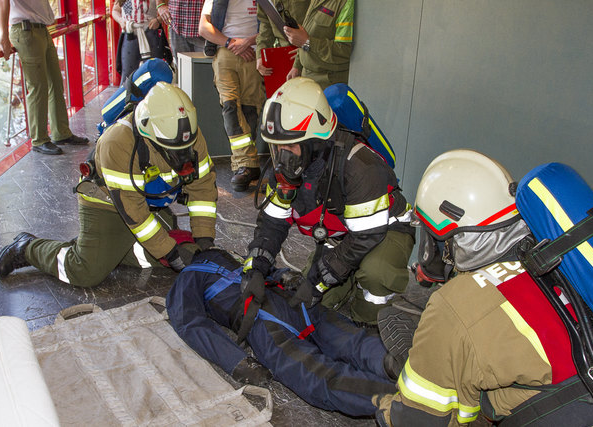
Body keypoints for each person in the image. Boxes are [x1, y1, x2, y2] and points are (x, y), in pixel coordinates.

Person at [374, 149, 593, 426]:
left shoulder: (455, 304)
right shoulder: (555, 257)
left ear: (453, 238)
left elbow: (415, 420)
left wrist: (381, 406)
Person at [0, 83, 218, 288]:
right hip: (108, 204)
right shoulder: (118, 143)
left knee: (186, 254)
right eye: (172, 150)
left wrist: (205, 239)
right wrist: (168, 252)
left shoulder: (188, 136)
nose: (182, 156)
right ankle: (28, 248)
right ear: (148, 132)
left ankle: (105, 248)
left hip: (149, 203)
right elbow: (135, 214)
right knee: (84, 272)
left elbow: (203, 190)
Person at [241, 77, 414, 326]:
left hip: (385, 230)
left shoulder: (360, 166)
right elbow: (272, 224)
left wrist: (319, 281)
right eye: (277, 148)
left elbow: (365, 237)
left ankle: (371, 321)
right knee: (313, 303)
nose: (281, 160)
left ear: (315, 143)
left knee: (375, 273)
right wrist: (256, 268)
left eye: (290, 147)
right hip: (342, 234)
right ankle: (349, 278)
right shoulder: (289, 170)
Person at [166, 247, 396, 416]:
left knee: (317, 375)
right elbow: (264, 269)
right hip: (295, 303)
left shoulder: (190, 276)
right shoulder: (226, 259)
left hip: (263, 321)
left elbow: (190, 323)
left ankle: (393, 403)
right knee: (352, 340)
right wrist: (285, 276)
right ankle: (413, 376)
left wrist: (238, 362)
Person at [0, 0, 89, 156]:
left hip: (42, 29)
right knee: (38, 87)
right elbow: (2, 2)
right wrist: (4, 36)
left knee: (55, 82)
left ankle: (61, 133)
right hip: (25, 29)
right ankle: (39, 139)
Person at [198, 0, 265, 192]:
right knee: (230, 108)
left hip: (254, 53)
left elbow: (275, 27)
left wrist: (247, 42)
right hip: (226, 52)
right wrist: (231, 43)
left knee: (250, 110)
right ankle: (245, 164)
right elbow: (204, 27)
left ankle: (246, 165)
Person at [283, 0, 353, 90]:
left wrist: (307, 42)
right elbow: (308, 31)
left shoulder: (347, 3)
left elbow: (344, 51)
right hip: (307, 77)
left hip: (328, 84)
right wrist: (297, 65)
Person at [112, 0, 168, 83]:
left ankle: (154, 95)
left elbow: (167, 8)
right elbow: (115, 10)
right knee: (127, 74)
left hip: (150, 32)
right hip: (130, 33)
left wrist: (158, 20)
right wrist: (120, 20)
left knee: (154, 71)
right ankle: (128, 95)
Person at [255, 0, 310, 77]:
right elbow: (265, 26)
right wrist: (261, 55)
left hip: (309, 55)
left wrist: (306, 48)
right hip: (285, 56)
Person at [156, 0, 206, 66]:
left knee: (205, 70)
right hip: (177, 26)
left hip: (204, 30)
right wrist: (160, 5)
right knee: (181, 70)